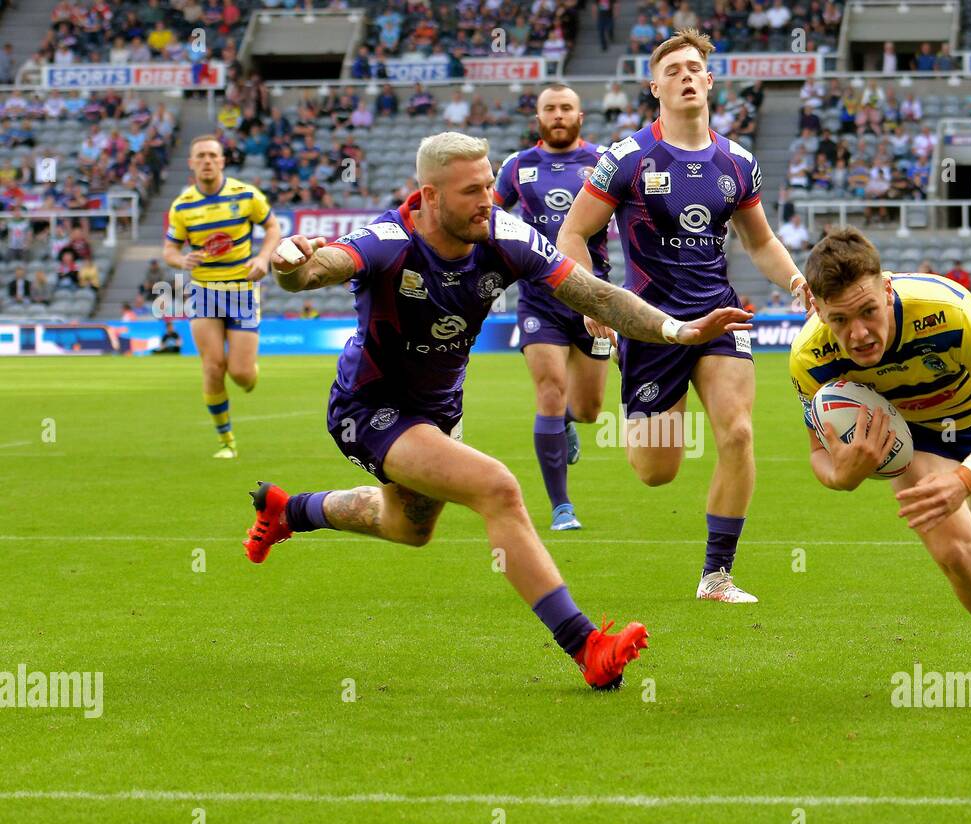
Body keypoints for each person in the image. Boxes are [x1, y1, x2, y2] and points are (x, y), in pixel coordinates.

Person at [245, 131, 749, 690]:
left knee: (408, 527)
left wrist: (675, 329)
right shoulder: (387, 241)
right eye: (471, 191)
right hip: (370, 408)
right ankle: (588, 648)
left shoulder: (505, 235)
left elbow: (599, 297)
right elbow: (317, 270)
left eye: (489, 184)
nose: (488, 198)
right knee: (498, 488)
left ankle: (289, 512)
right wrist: (290, 264)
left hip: (439, 412)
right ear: (431, 196)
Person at [558, 29, 807, 604]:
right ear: (654, 87)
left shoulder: (738, 162)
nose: (686, 77)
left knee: (739, 433)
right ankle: (623, 396)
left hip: (719, 317)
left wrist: (795, 278)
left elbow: (761, 242)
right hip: (649, 325)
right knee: (655, 471)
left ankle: (716, 575)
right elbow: (574, 232)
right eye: (673, 71)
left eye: (694, 68)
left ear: (711, 81)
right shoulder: (627, 158)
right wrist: (592, 300)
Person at [789, 228, 971, 710]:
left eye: (868, 312)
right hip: (911, 437)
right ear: (818, 311)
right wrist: (843, 475)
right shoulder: (810, 358)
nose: (858, 334)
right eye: (839, 319)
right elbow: (819, 454)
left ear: (887, 291)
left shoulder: (948, 312)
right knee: (957, 556)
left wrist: (966, 478)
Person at [494, 85, 614, 531]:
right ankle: (561, 507)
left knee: (587, 409)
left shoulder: (605, 162)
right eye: (550, 109)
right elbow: (487, 219)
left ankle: (567, 419)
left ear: (580, 115)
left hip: (594, 298)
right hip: (539, 298)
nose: (558, 115)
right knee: (548, 391)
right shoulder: (518, 166)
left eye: (566, 108)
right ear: (538, 117)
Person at [163, 134, 282, 459]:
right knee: (213, 367)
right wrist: (180, 260)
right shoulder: (182, 206)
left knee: (240, 373)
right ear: (191, 163)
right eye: (200, 155)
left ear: (222, 161)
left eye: (212, 155)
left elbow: (273, 228)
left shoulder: (245, 195)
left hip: (241, 291)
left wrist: (263, 259)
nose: (206, 160)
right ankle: (226, 440)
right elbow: (170, 250)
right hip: (203, 291)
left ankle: (250, 373)